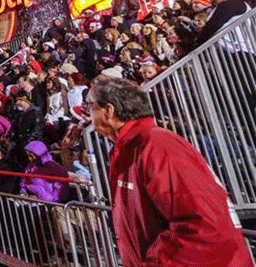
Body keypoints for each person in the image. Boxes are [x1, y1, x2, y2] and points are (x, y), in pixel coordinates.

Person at [86, 77, 250, 266]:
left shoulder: (158, 146)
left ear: (108, 111)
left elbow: (205, 226)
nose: (87, 113)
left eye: (89, 105)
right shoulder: (130, 148)